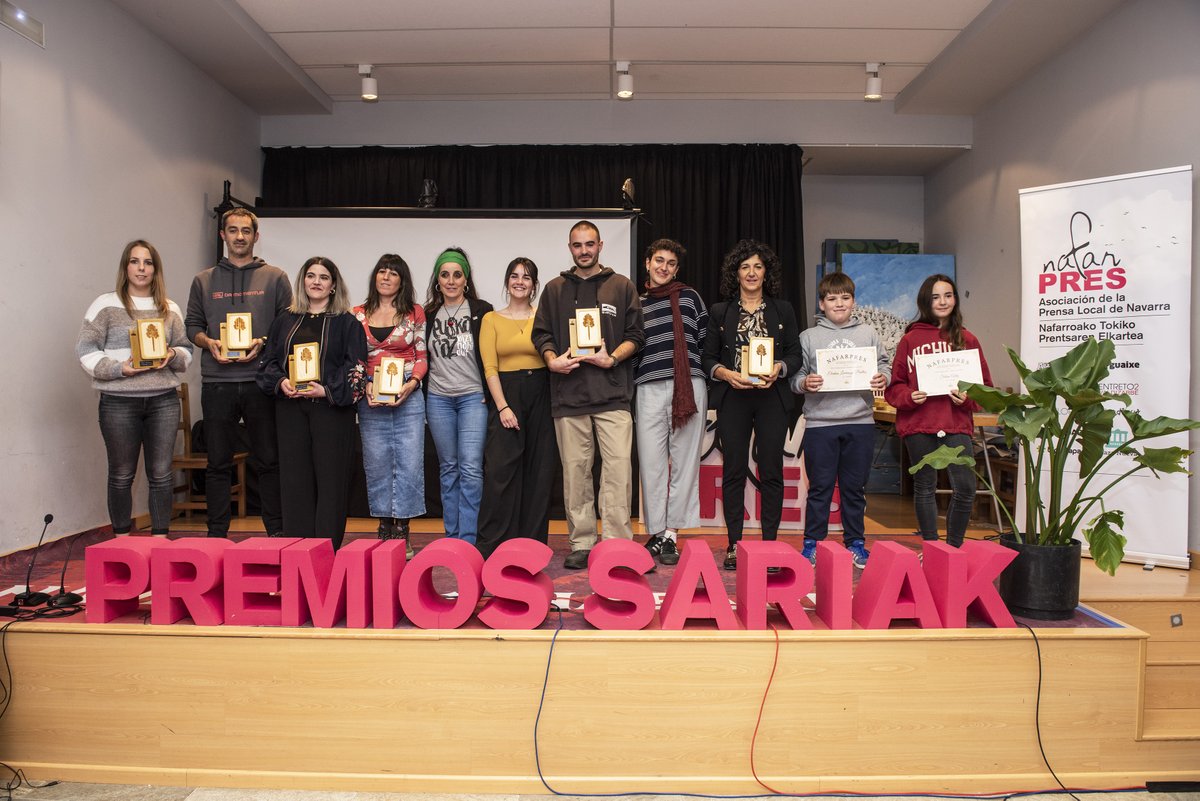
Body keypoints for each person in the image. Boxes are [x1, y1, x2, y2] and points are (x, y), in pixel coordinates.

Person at [532, 220, 645, 570]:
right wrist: (552, 361)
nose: (584, 250)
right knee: (576, 474)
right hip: (568, 397)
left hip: (613, 397)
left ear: (600, 246)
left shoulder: (621, 286)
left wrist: (611, 358)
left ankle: (615, 543)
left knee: (617, 472)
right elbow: (541, 335)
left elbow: (637, 336)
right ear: (570, 249)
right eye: (577, 245)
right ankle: (581, 542)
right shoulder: (553, 289)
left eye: (590, 244)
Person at [185, 208, 292, 538]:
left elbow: (287, 326)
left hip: (261, 381)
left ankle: (277, 533)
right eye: (233, 231)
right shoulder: (203, 280)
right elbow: (193, 326)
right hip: (218, 383)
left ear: (256, 236)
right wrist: (208, 342)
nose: (240, 236)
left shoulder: (275, 278)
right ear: (224, 236)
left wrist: (262, 342)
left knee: (269, 461)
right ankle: (216, 536)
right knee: (217, 462)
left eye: (246, 231)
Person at [77, 240, 194, 536]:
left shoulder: (170, 307)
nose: (141, 268)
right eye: (135, 261)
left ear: (156, 269)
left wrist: (172, 356)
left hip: (163, 401)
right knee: (121, 474)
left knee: (161, 474)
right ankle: (121, 539)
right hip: (118, 402)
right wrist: (120, 369)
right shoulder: (105, 304)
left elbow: (185, 349)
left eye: (148, 262)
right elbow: (85, 350)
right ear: (125, 267)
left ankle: (159, 539)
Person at [701, 239, 802, 571]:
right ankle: (734, 545)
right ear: (736, 272)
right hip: (734, 398)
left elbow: (794, 355)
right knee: (733, 472)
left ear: (766, 272)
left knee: (771, 470)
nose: (751, 272)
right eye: (745, 267)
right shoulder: (720, 312)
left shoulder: (782, 310)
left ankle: (770, 545)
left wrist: (779, 369)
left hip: (772, 397)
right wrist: (726, 374)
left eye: (758, 266)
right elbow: (708, 359)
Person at [257, 257, 366, 547]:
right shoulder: (285, 320)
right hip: (290, 409)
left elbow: (356, 370)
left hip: (331, 411)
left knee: (331, 482)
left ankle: (326, 549)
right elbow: (268, 362)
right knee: (295, 480)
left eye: (324, 277)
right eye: (311, 276)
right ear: (303, 281)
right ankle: (298, 549)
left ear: (333, 286)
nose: (316, 282)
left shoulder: (347, 324)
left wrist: (326, 391)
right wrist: (281, 382)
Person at [885, 273, 993, 549]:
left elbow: (985, 388)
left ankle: (953, 548)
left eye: (948, 295)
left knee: (966, 488)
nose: (942, 301)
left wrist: (967, 398)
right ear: (925, 301)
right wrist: (910, 396)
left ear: (955, 299)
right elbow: (894, 387)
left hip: (955, 424)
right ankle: (932, 548)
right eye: (935, 296)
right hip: (919, 424)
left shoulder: (968, 339)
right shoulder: (910, 340)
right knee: (924, 487)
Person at [791, 272, 890, 569]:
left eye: (845, 298)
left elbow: (884, 366)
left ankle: (856, 543)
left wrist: (881, 377)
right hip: (821, 423)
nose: (839, 304)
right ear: (821, 304)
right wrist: (805, 383)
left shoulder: (868, 334)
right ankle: (813, 544)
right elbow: (795, 377)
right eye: (832, 299)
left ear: (854, 302)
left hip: (860, 422)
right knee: (820, 488)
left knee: (854, 489)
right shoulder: (808, 337)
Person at [475, 258, 557, 558]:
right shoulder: (491, 319)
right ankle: (492, 545)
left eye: (526, 277)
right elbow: (490, 367)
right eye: (514, 276)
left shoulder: (545, 317)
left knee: (539, 471)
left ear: (534, 285)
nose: (519, 281)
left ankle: (531, 547)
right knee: (500, 471)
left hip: (542, 393)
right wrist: (502, 407)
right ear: (507, 281)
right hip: (506, 395)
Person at [634, 239, 708, 567]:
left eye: (671, 263)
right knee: (651, 463)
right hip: (648, 386)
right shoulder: (635, 303)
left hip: (689, 386)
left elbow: (704, 340)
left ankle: (671, 534)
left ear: (676, 269)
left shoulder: (690, 297)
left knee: (684, 463)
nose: (664, 267)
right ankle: (656, 530)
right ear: (647, 263)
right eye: (658, 261)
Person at [354, 254, 427, 559]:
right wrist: (365, 386)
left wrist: (413, 385)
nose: (385, 277)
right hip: (371, 394)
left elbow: (422, 355)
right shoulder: (357, 314)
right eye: (381, 271)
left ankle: (403, 531)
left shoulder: (415, 312)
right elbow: (353, 359)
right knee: (378, 461)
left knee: (409, 463)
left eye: (393, 273)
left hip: (408, 390)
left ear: (402, 280)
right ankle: (384, 528)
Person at [424, 248, 493, 546]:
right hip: (438, 399)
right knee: (448, 468)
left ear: (466, 279)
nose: (451, 280)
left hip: (472, 399)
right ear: (437, 280)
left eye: (457, 274)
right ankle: (452, 537)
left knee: (470, 469)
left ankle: (468, 539)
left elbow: (491, 356)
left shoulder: (482, 310)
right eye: (445, 274)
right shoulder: (426, 315)